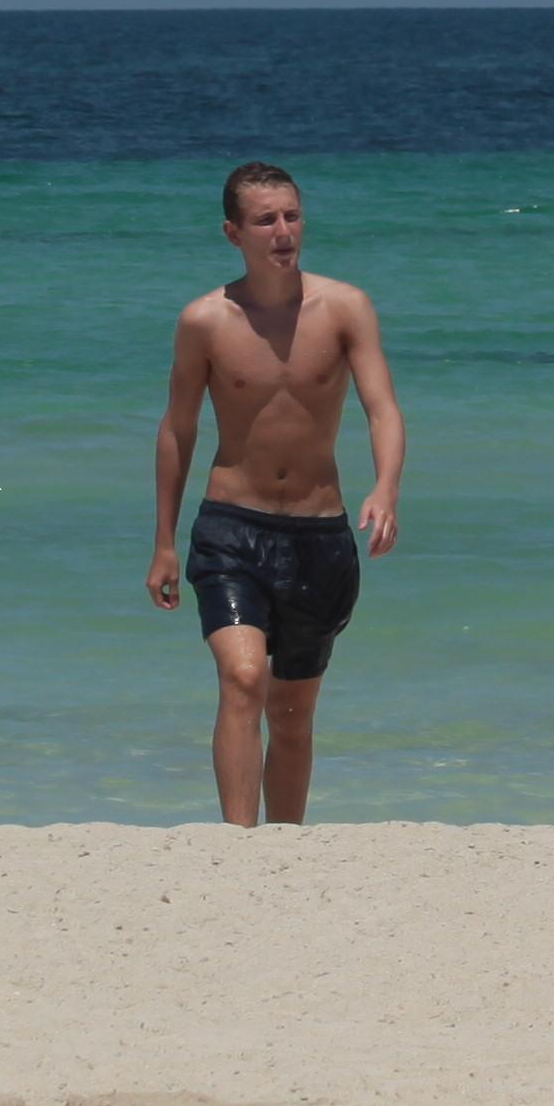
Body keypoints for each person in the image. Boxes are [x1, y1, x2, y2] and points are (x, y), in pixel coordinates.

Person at [145, 162, 407, 825]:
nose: (283, 231)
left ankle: (286, 849)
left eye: (291, 215)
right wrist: (164, 543)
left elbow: (382, 407)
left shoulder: (346, 308)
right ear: (234, 232)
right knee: (242, 679)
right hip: (232, 528)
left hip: (321, 535)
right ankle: (236, 846)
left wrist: (386, 487)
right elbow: (178, 430)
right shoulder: (204, 320)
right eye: (266, 220)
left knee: (292, 714)